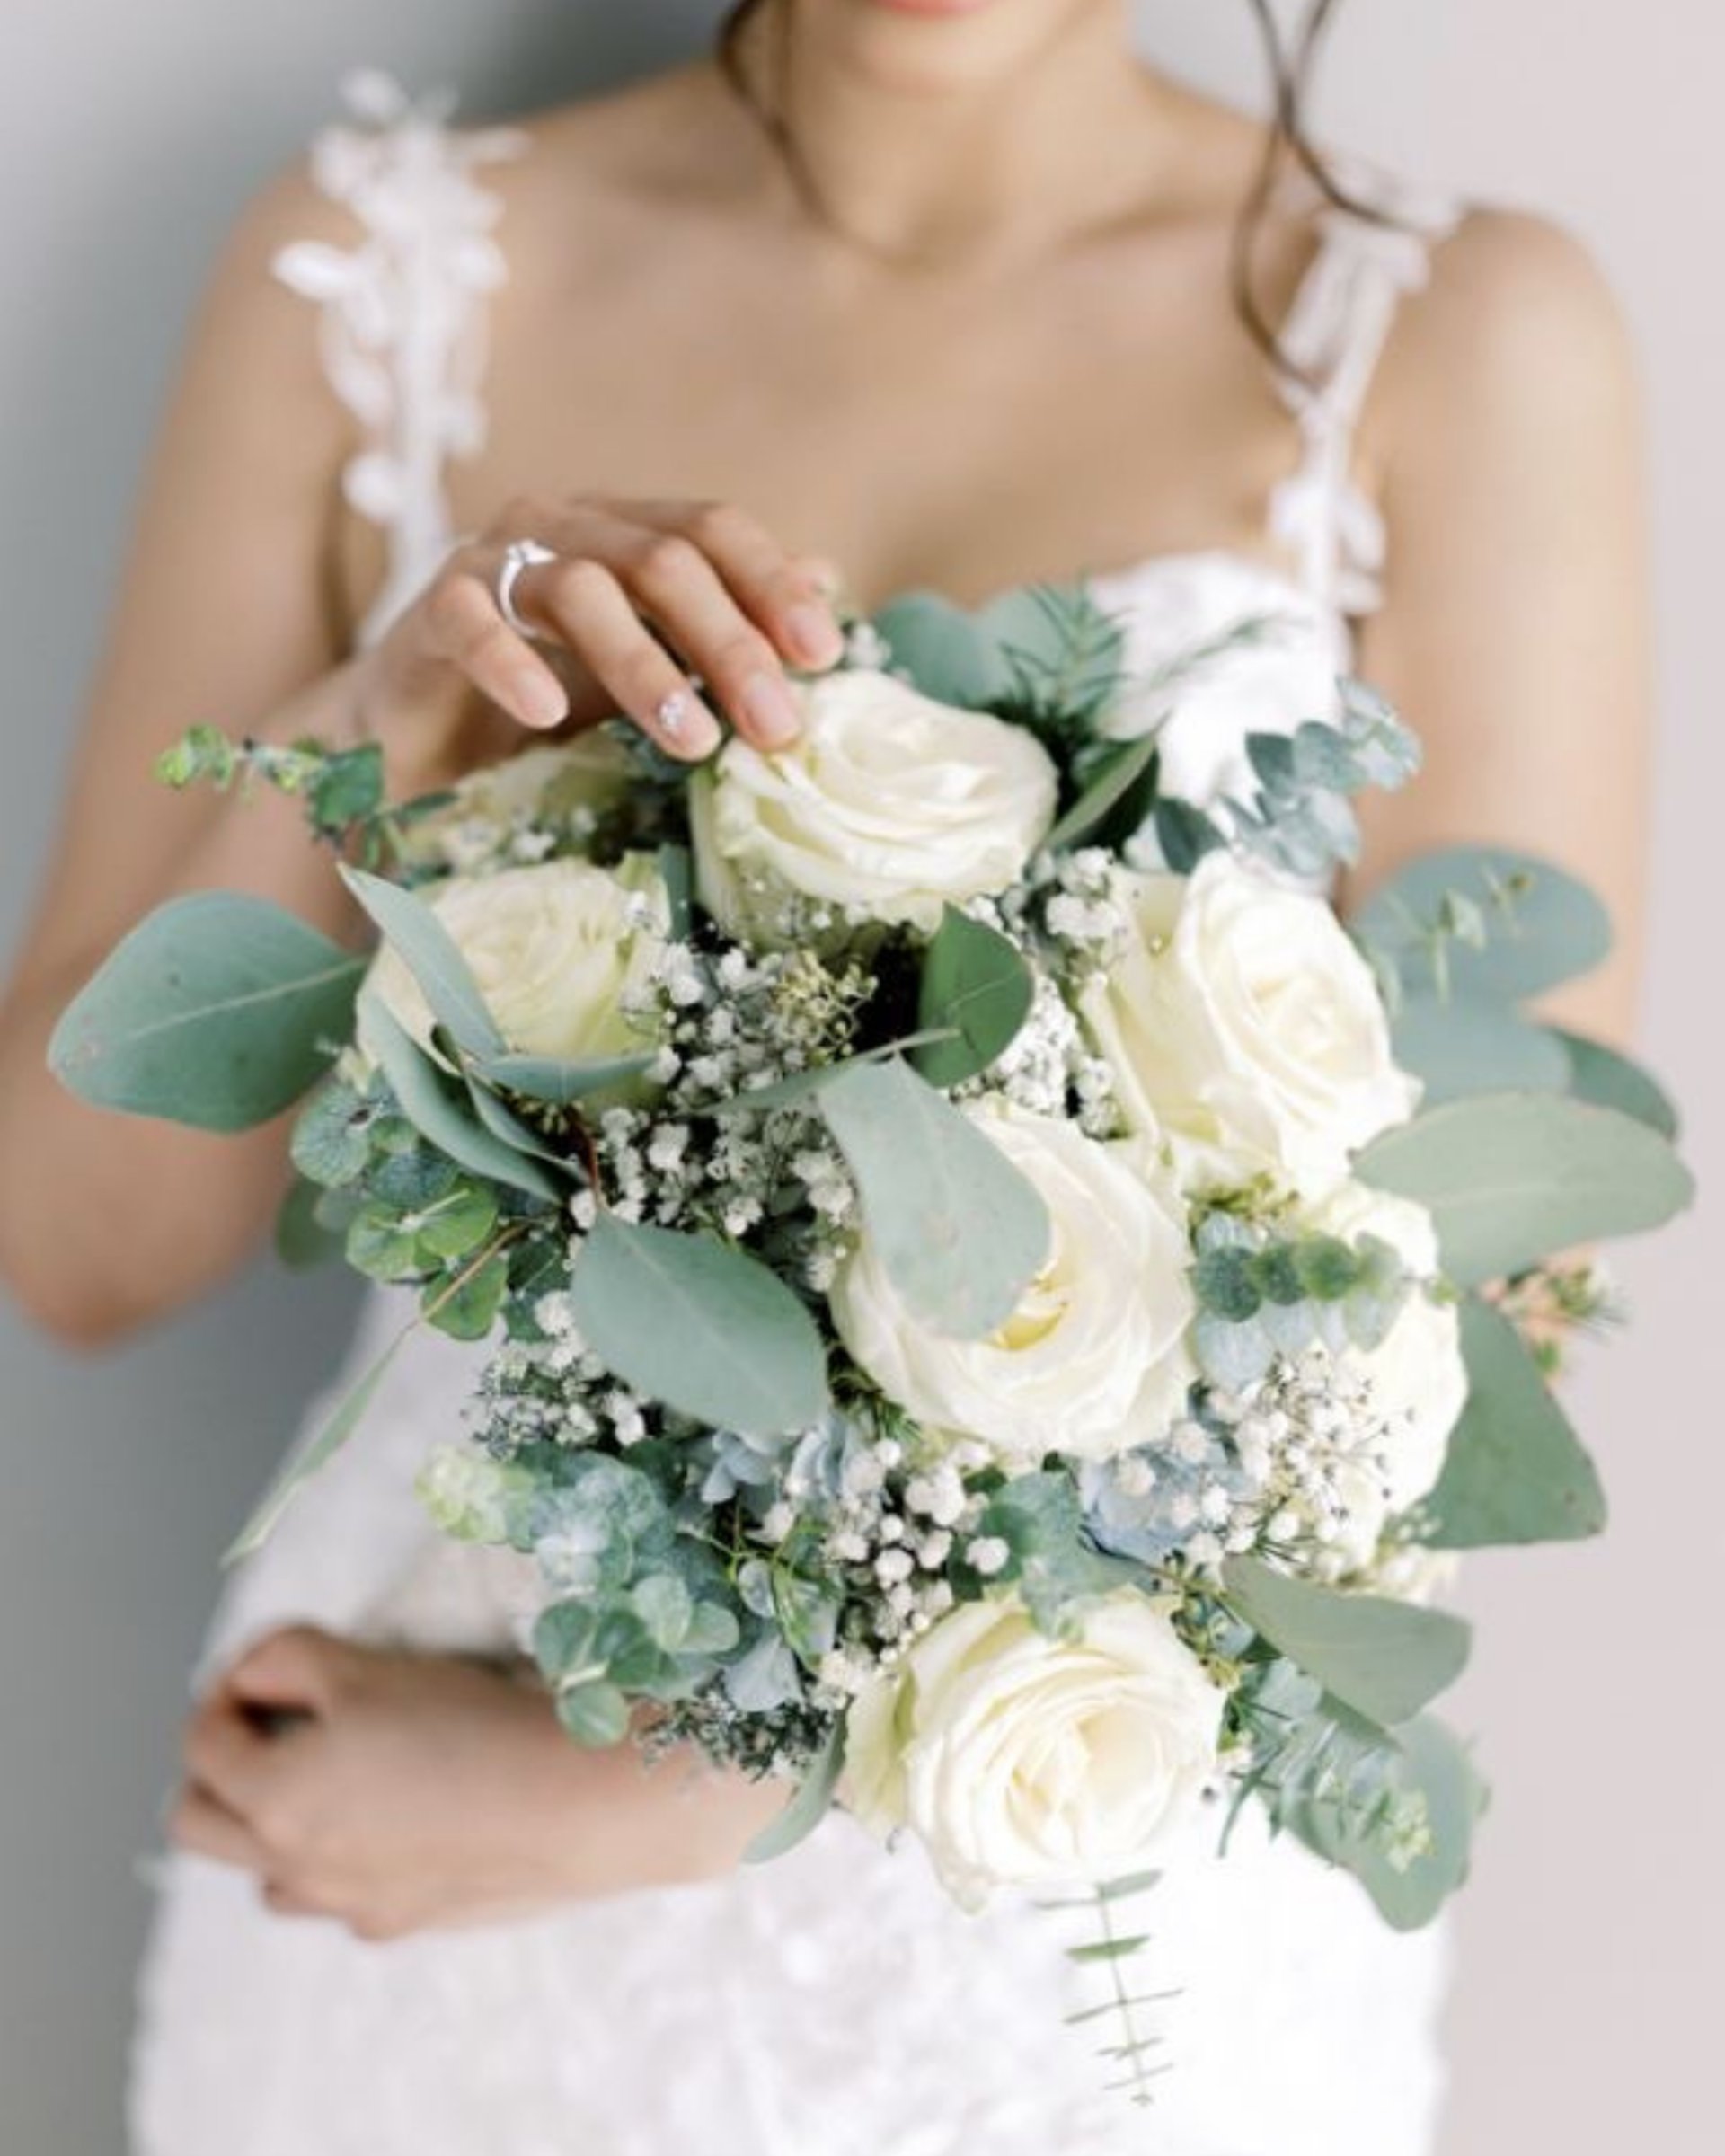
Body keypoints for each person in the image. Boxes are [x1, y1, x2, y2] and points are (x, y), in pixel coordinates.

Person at [0, 2, 1650, 2150]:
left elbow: (1478, 1316)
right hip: (423, 1840)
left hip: (1061, 1905)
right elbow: (81, 1249)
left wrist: (647, 1796)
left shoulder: (1453, 332)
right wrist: (378, 728)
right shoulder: (373, 277)